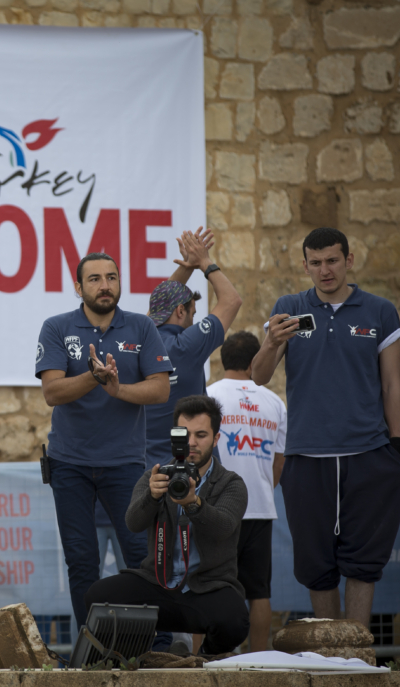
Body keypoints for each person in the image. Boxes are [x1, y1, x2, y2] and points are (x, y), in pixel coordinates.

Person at [251, 227, 400, 628]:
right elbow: (259, 377)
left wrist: (398, 447)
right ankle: (329, 652)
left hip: (369, 452)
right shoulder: (289, 308)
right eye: (316, 262)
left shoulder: (379, 310)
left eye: (333, 260)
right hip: (306, 454)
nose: (325, 270)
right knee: (315, 563)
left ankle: (356, 651)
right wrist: (270, 342)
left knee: (364, 562)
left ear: (348, 260)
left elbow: (392, 384)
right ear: (305, 265)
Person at [36, 252, 172, 629]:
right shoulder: (57, 327)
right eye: (94, 279)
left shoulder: (141, 326)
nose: (105, 285)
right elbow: (52, 392)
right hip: (69, 464)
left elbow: (160, 389)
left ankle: (155, 646)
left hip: (125, 464)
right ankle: (91, 647)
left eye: (111, 277)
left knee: (141, 557)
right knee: (82, 561)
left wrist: (117, 389)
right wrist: (92, 377)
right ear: (78, 287)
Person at [84, 395, 250, 656]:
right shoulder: (156, 476)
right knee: (98, 596)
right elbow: (132, 523)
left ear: (216, 438)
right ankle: (132, 659)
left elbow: (224, 527)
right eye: (184, 434)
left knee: (235, 621)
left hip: (207, 586)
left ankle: (204, 661)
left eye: (201, 435)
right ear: (175, 437)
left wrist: (194, 503)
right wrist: (151, 497)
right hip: (158, 582)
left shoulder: (230, 483)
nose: (191, 443)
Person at [206, 331, 286, 652]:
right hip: (260, 507)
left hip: (217, 509)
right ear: (256, 360)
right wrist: (262, 488)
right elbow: (279, 463)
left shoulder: (208, 395)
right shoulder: (275, 402)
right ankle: (260, 661)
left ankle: (209, 660)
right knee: (259, 592)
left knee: (208, 587)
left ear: (223, 358)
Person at [144, 228, 242, 468]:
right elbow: (232, 301)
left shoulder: (138, 341)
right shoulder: (185, 345)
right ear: (180, 311)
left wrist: (187, 266)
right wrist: (204, 262)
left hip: (147, 471)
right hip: (191, 469)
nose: (193, 321)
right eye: (192, 314)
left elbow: (156, 310)